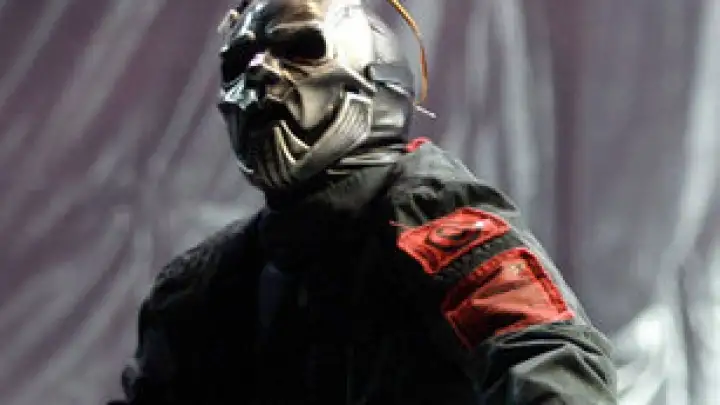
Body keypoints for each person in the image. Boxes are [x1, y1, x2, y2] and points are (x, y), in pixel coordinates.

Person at [109, 0, 617, 404]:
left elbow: (546, 356)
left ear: (374, 82)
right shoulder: (205, 284)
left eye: (300, 48)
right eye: (239, 64)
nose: (259, 74)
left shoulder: (431, 216)